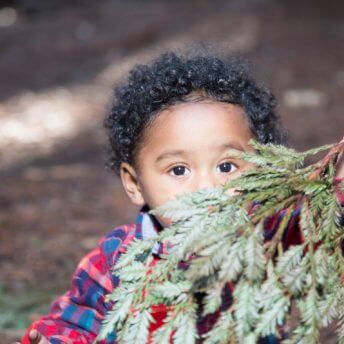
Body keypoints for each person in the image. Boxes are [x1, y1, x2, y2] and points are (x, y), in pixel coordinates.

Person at [19, 52, 343, 344]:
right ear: (134, 183)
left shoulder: (271, 233)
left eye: (226, 166)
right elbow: (76, 323)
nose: (206, 187)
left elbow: (323, 225)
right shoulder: (115, 261)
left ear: (264, 167)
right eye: (178, 170)